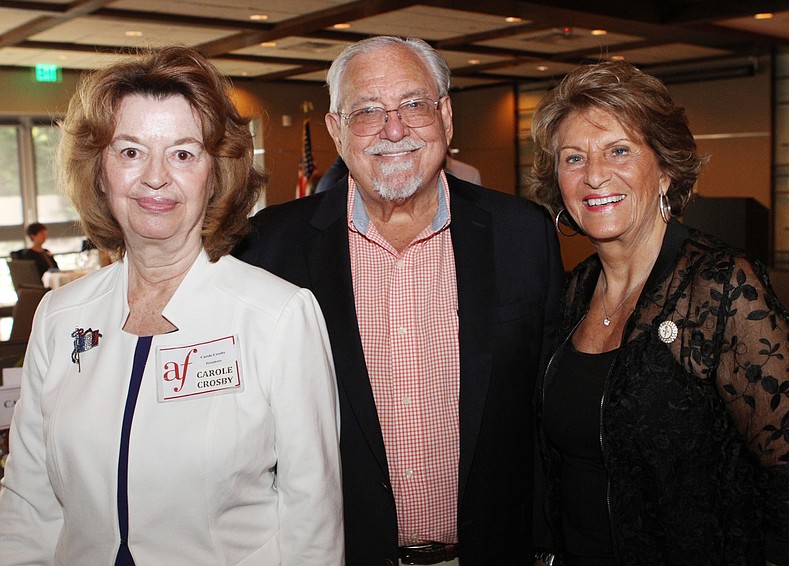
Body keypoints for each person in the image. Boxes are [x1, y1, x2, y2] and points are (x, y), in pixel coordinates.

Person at [0, 46, 343, 565]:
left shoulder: (278, 316)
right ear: (99, 171)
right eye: (130, 151)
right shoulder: (60, 317)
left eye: (183, 154)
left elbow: (312, 522)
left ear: (215, 173)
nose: (155, 177)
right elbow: (29, 504)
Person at [236, 36, 564, 565]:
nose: (394, 130)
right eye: (367, 111)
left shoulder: (522, 234)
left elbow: (549, 411)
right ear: (336, 130)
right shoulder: (269, 247)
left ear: (446, 117)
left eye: (413, 104)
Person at [528, 60, 789, 565]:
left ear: (666, 169)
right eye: (573, 158)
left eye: (619, 150)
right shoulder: (572, 291)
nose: (594, 175)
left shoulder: (722, 285)